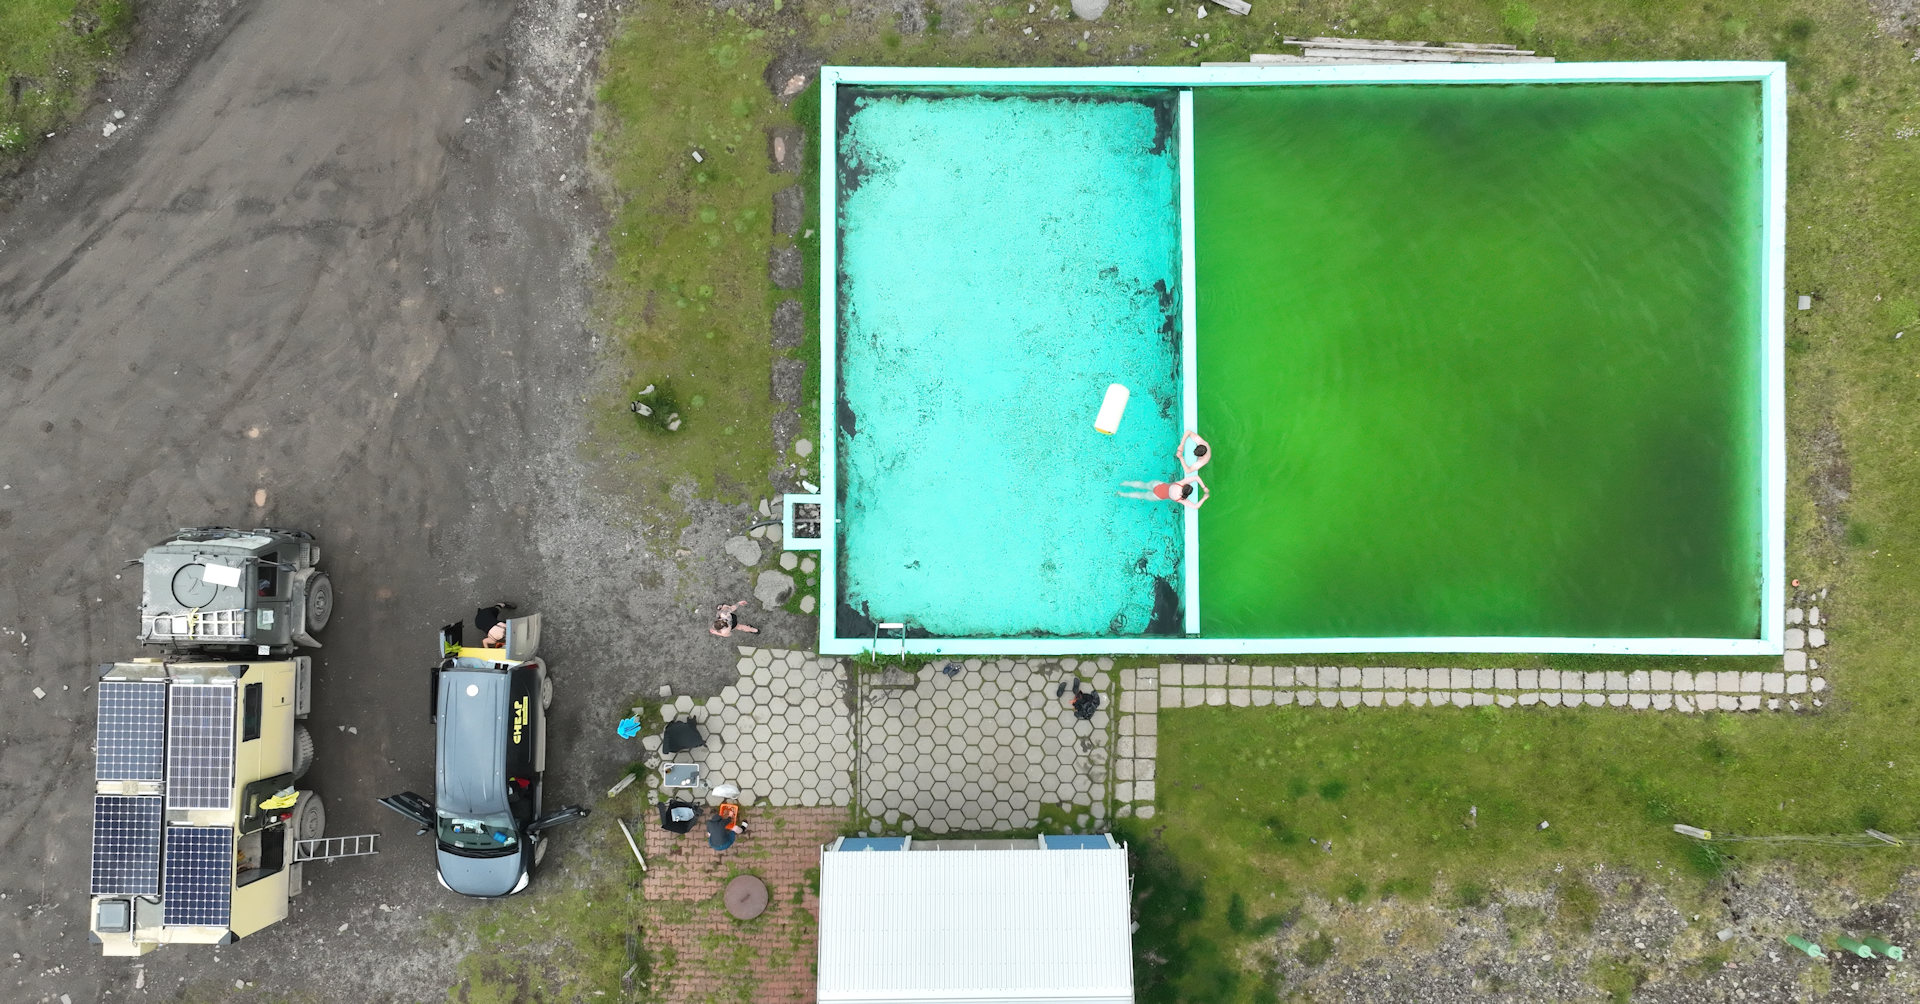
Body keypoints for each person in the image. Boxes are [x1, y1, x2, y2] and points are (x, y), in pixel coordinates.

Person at [1118, 474, 1209, 510]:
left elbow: (1196, 477)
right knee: (1140, 495)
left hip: (1157, 485)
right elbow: (1195, 506)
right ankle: (1122, 494)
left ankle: (1124, 483)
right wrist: (1204, 498)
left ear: (1185, 486)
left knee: (1142, 484)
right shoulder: (1180, 499)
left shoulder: (1180, 483)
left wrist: (1204, 487)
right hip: (1157, 496)